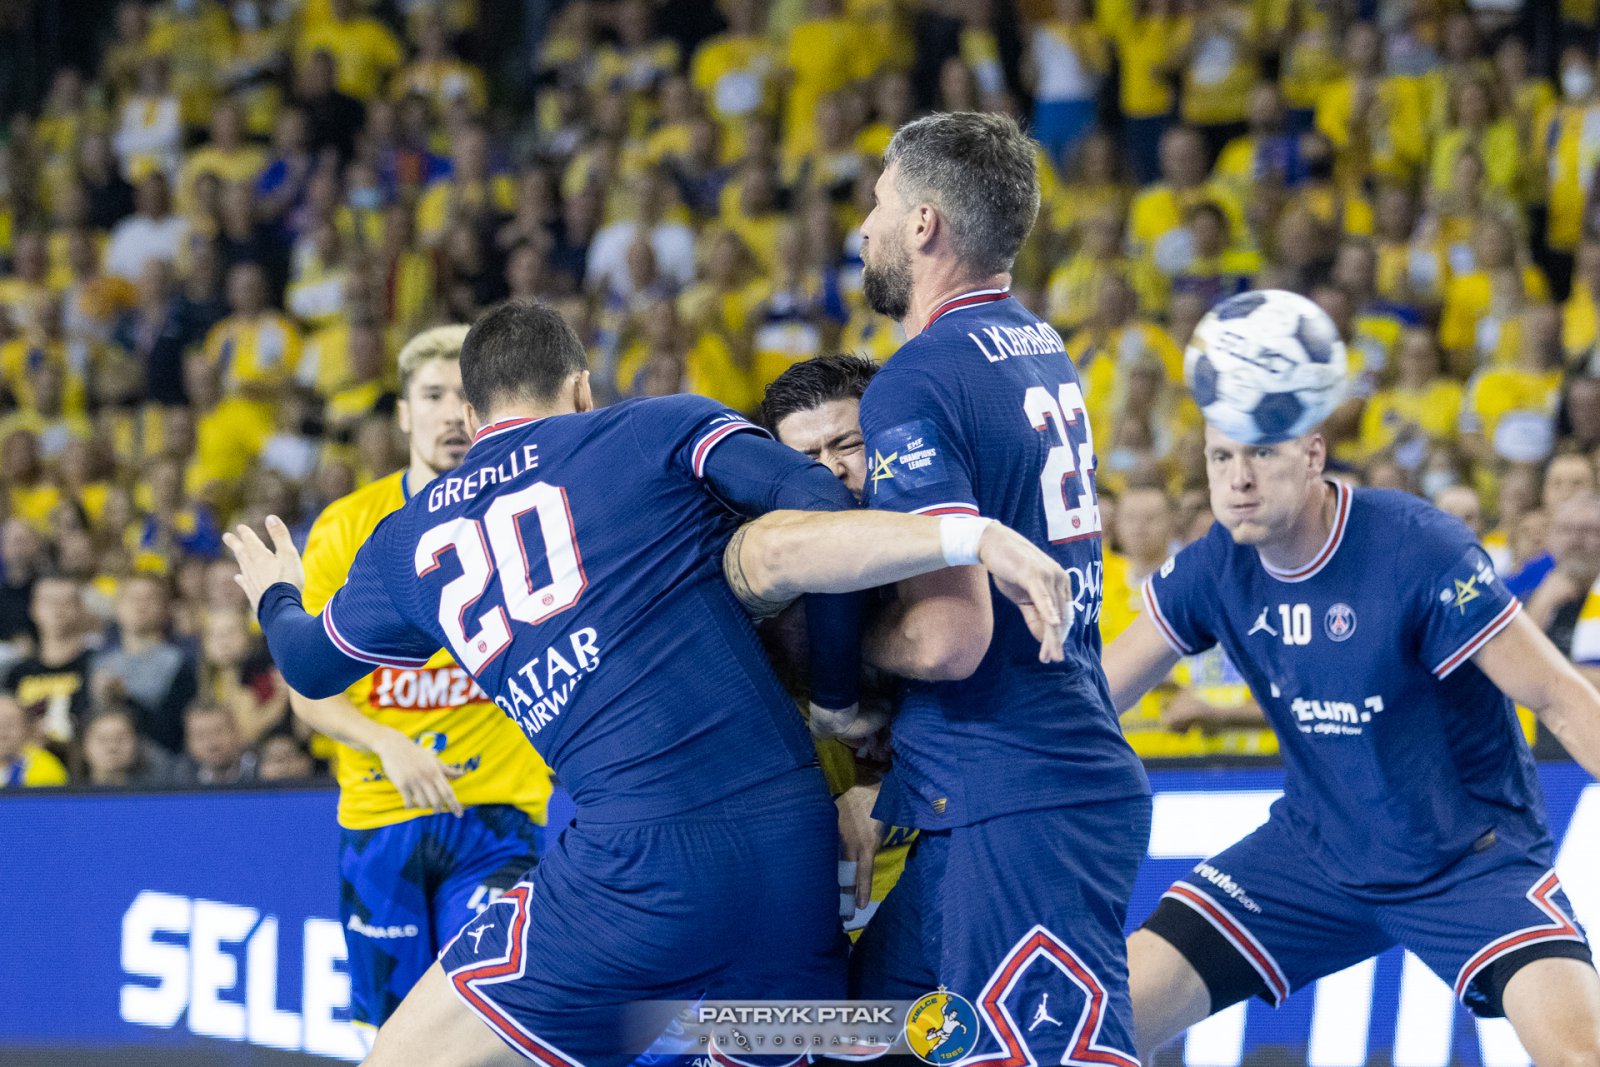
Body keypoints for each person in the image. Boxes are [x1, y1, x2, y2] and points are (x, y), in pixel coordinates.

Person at [225, 299, 1073, 1066]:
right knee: (782, 1043)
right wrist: (837, 693)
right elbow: (814, 497)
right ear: (582, 387)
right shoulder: (656, 426)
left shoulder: (406, 540)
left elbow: (307, 662)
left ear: (475, 417)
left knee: (403, 1055)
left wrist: (274, 593)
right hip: (794, 847)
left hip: (635, 863)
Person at [1103, 386, 1600, 1065]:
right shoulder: (1217, 560)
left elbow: (1561, 697)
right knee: (1093, 1029)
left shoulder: (1417, 547)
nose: (1238, 479)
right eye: (1220, 457)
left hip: (1467, 860)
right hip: (1312, 854)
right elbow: (1095, 696)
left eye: (1261, 454)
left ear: (1314, 454)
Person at [845, 110, 1149, 1067]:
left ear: (923, 223)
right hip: (987, 795)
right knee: (856, 1040)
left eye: (879, 202)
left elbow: (948, 639)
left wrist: (837, 636)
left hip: (1016, 796)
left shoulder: (916, 380)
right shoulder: (1036, 343)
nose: (863, 224)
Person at [289, 325, 554, 1040]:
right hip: (381, 816)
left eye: (465, 398)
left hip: (500, 816)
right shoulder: (346, 528)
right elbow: (307, 687)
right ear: (404, 413)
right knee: (388, 1036)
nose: (450, 414)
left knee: (493, 1023)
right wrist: (385, 742)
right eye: (432, 396)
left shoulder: (532, 513)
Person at [173, 702, 258, 786]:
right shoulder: (178, 780)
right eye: (201, 736)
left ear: (236, 733)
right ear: (188, 743)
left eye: (219, 732)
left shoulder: (260, 769)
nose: (212, 744)